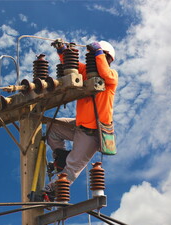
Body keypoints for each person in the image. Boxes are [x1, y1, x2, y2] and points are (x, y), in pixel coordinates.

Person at [43, 39, 118, 200]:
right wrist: (63, 51)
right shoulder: (84, 73)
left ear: (108, 59)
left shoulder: (111, 77)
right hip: (78, 126)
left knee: (72, 167)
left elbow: (104, 72)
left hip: (93, 133)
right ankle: (61, 156)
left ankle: (49, 192)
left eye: (101, 56)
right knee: (52, 127)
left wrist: (98, 53)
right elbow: (72, 65)